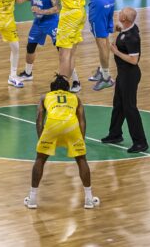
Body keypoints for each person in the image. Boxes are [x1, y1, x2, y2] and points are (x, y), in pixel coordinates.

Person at [24, 74, 99, 210]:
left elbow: (39, 119)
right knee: (81, 159)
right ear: (68, 89)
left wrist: (41, 137)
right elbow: (82, 120)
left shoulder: (45, 97)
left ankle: (32, 199)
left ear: (52, 89)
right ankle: (89, 199)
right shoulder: (75, 98)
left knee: (40, 159)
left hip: (52, 125)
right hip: (71, 125)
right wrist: (81, 139)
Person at [101, 7, 147, 153]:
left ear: (124, 19)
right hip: (122, 74)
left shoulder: (131, 37)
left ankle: (140, 142)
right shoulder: (128, 29)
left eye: (121, 13)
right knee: (118, 104)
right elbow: (125, 29)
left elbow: (134, 60)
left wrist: (116, 52)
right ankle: (115, 134)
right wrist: (118, 29)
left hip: (130, 75)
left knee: (130, 108)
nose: (118, 13)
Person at [17, 0, 59, 81]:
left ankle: (75, 80)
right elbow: (19, 0)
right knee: (30, 47)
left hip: (52, 21)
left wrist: (42, 11)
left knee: (62, 49)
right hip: (38, 22)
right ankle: (28, 73)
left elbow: (57, 8)